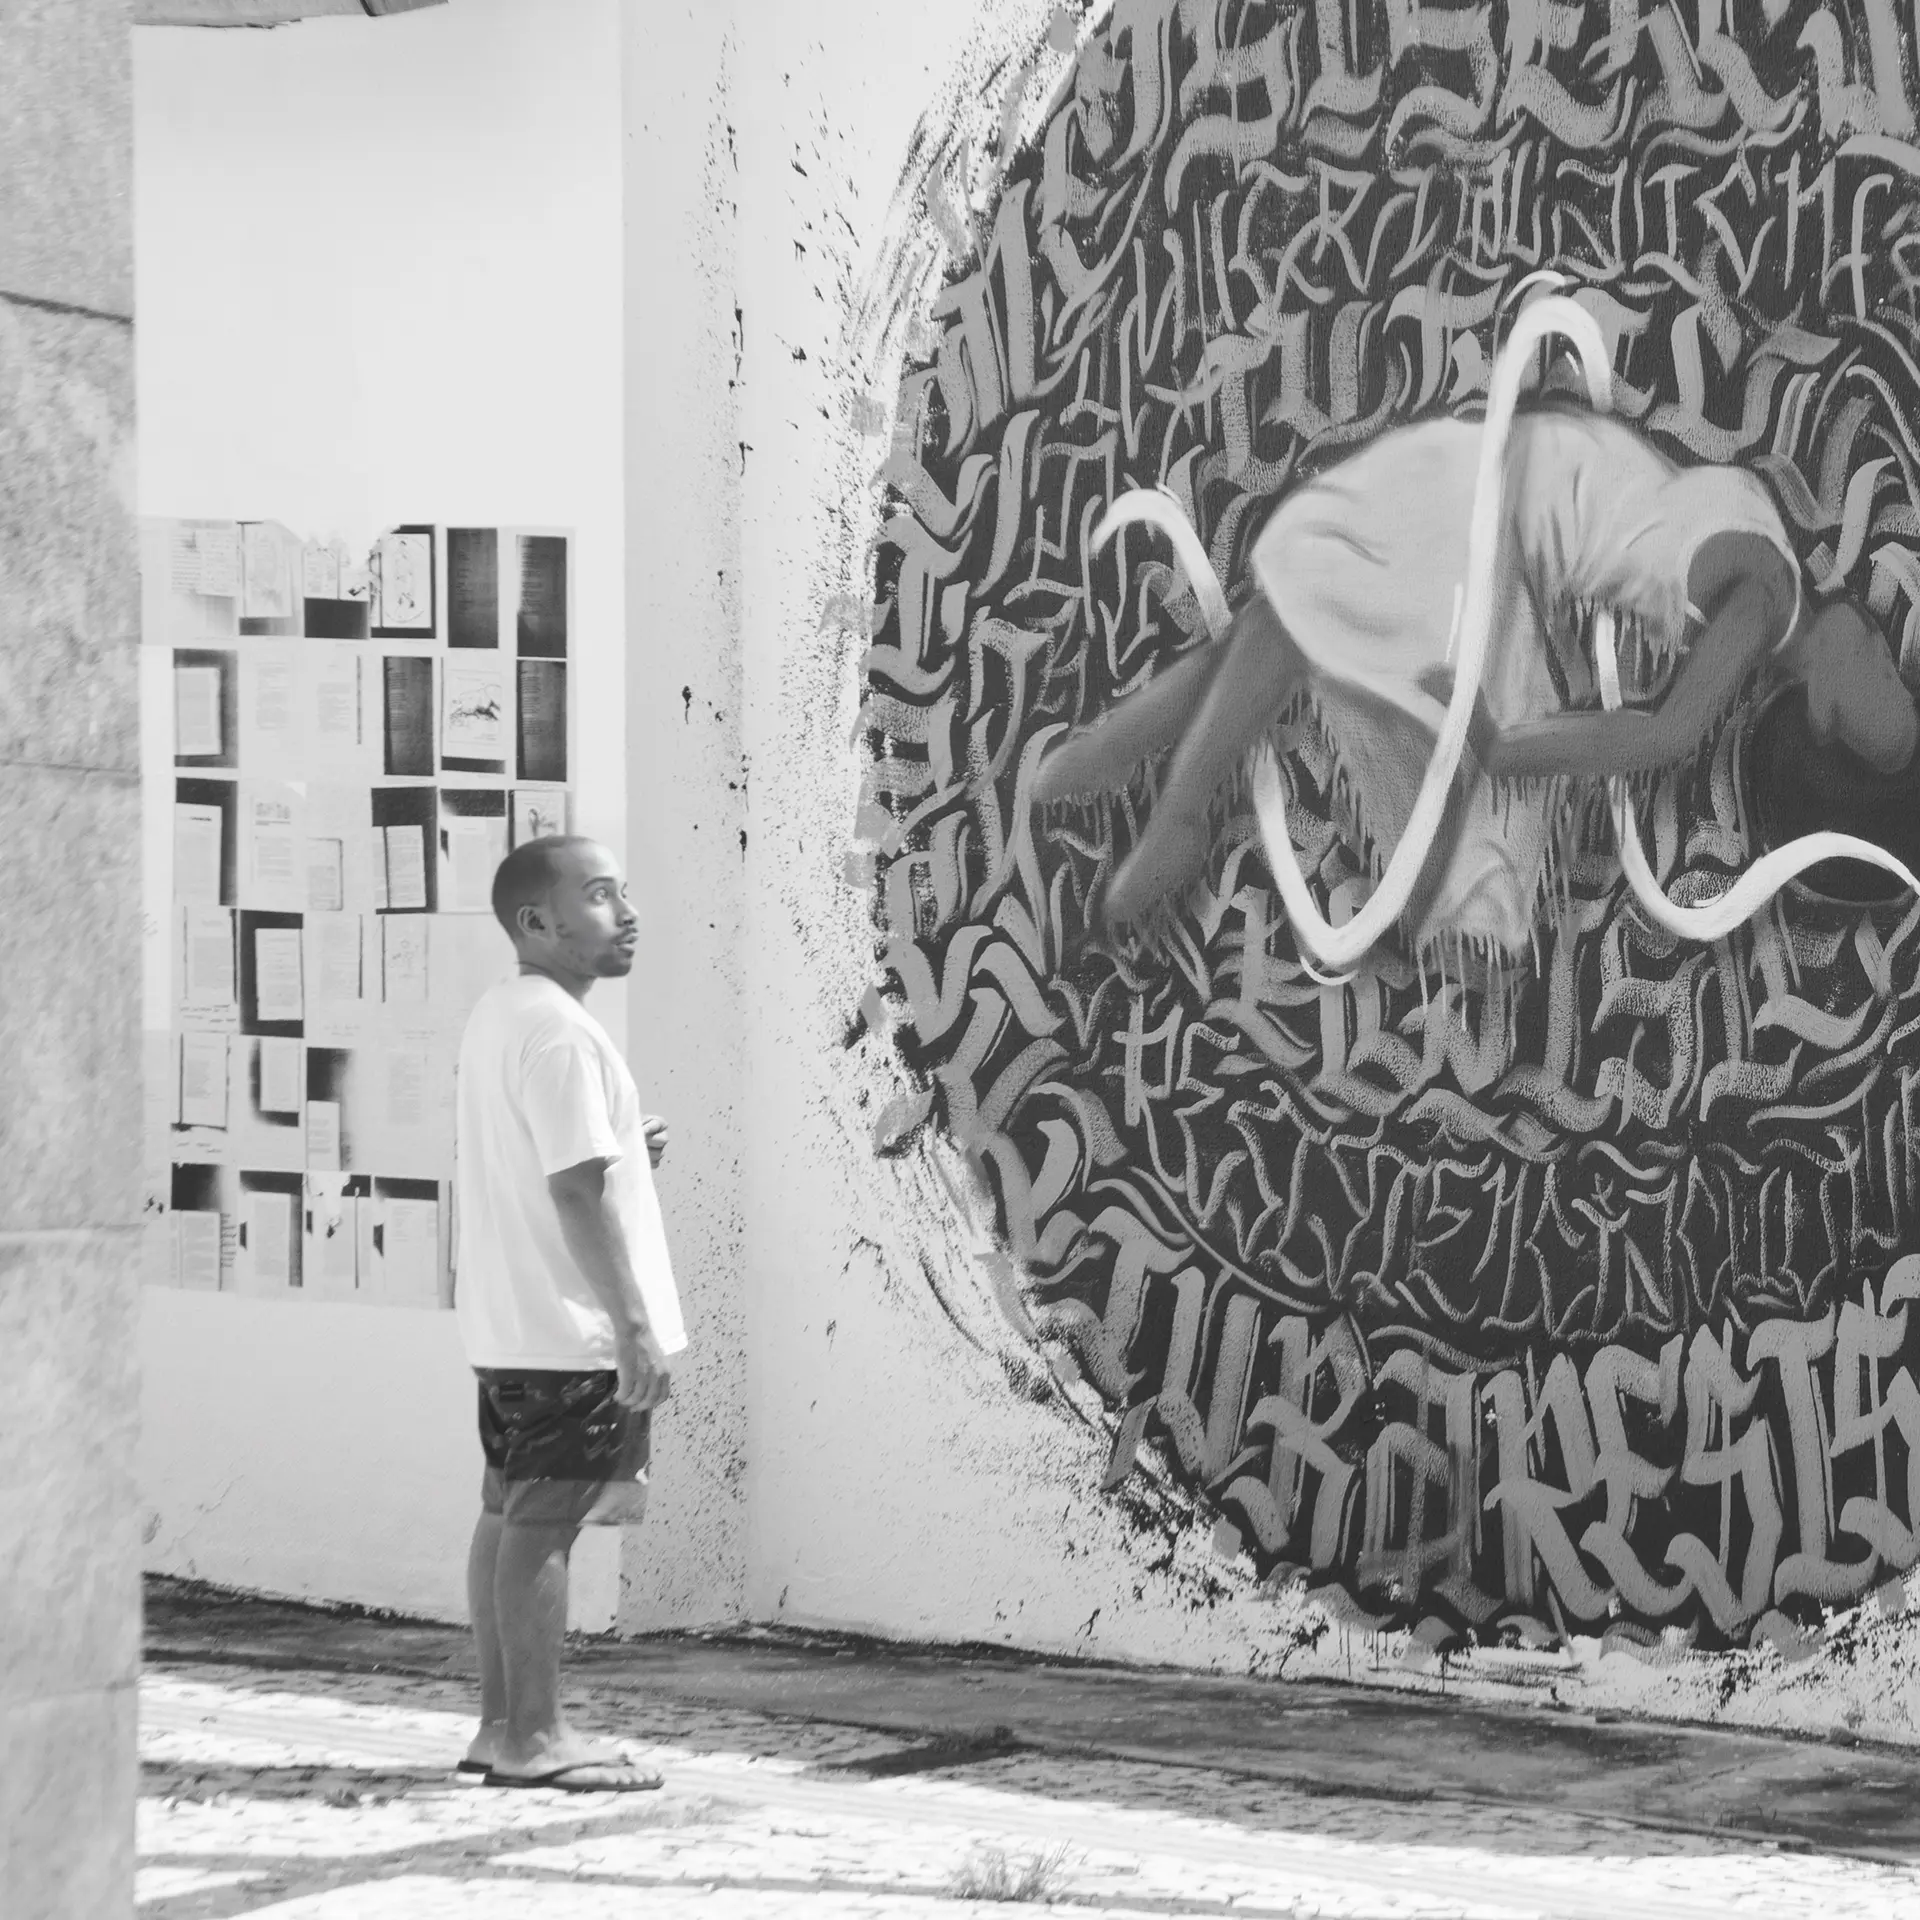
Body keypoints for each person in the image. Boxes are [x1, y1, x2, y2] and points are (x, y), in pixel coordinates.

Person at [1037, 402, 1920, 954]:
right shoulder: (1781, 568)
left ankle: (1146, 799)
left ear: (1824, 713)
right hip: (1506, 471)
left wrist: (1502, 748)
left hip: (1491, 516)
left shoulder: (1764, 606)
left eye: (1880, 675)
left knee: (1302, 608)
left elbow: (1662, 732)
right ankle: (1125, 775)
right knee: (1300, 607)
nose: (1885, 646)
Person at [451, 834, 685, 1792]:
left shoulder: (506, 1014)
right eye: (598, 895)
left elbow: (560, 1161)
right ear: (536, 922)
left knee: (508, 1515)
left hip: (514, 1325)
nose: (626, 913)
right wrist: (632, 1327)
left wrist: (627, 1142)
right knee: (542, 1528)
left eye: (622, 891)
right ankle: (536, 1740)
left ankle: (498, 1727)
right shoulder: (560, 1032)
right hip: (570, 1331)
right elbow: (575, 1193)